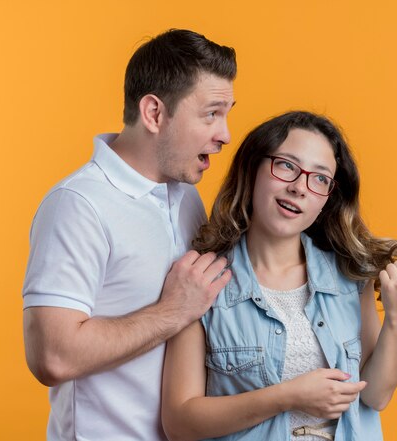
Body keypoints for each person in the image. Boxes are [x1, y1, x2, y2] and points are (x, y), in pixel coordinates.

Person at [22, 29, 236, 440]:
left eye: (226, 114)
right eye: (211, 113)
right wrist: (174, 310)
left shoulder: (187, 196)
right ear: (154, 113)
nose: (224, 133)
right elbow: (52, 356)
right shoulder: (79, 204)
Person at [161, 111, 397, 440]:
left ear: (328, 199)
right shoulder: (203, 281)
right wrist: (287, 396)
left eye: (319, 178)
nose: (299, 187)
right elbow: (179, 423)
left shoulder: (348, 277)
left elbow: (375, 396)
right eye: (286, 165)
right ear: (253, 168)